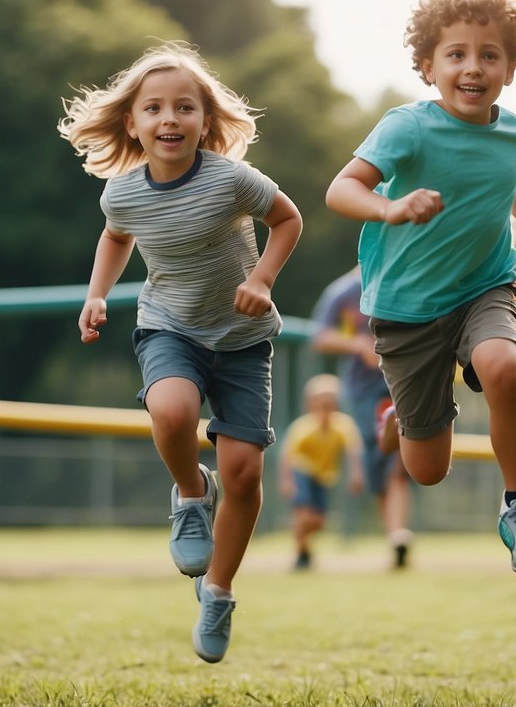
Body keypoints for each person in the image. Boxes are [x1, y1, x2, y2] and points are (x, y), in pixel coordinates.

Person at [59, 42, 302, 663]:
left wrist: (262, 280)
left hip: (244, 340)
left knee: (245, 474)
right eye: (155, 108)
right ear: (132, 123)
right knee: (170, 412)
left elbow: (289, 220)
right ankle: (193, 494)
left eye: (184, 107)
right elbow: (115, 237)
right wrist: (96, 294)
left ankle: (217, 593)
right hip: (171, 327)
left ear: (204, 119)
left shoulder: (231, 179)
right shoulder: (123, 193)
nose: (170, 119)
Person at [325, 0, 516, 575]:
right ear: (428, 65)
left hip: (485, 286)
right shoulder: (409, 126)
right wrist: (391, 207)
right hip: (407, 310)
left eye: (490, 55)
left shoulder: (513, 132)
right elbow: (340, 189)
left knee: (503, 366)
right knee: (427, 469)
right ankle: (396, 422)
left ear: (510, 68)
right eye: (455, 54)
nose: (473, 67)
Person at [310, 266, 414, 569]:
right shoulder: (343, 291)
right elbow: (321, 335)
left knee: (398, 462)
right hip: (362, 391)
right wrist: (357, 344)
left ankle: (398, 535)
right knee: (378, 468)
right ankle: (395, 535)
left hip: (402, 382)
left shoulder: (406, 278)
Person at [278, 374, 364, 570]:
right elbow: (288, 456)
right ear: (311, 403)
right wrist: (286, 481)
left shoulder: (343, 425)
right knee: (304, 513)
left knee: (319, 521)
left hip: (323, 477)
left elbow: (353, 450)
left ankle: (300, 537)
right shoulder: (304, 427)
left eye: (330, 402)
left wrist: (356, 474)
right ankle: (301, 553)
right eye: (321, 402)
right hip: (303, 472)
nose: (326, 406)